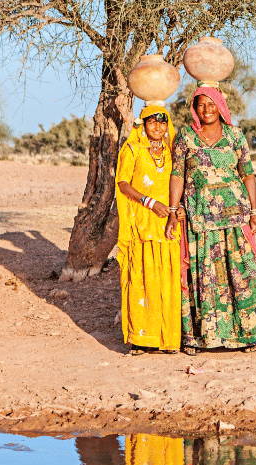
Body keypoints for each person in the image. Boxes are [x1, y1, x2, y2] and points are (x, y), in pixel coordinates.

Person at [169, 87, 256, 354]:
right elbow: (177, 174)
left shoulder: (235, 136)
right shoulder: (186, 136)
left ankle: (247, 333)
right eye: (201, 105)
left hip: (235, 215)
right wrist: (172, 209)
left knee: (242, 272)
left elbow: (248, 174)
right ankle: (202, 337)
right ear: (194, 108)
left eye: (211, 104)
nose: (207, 110)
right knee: (204, 276)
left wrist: (255, 212)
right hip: (200, 218)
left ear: (221, 106)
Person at [114, 105, 181, 355]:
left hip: (169, 223)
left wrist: (177, 208)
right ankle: (142, 338)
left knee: (168, 278)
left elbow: (180, 180)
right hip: (142, 221)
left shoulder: (172, 152)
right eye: (152, 122)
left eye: (162, 123)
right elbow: (122, 183)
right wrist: (150, 203)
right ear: (143, 124)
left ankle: (168, 338)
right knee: (143, 278)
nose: (157, 127)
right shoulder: (132, 149)